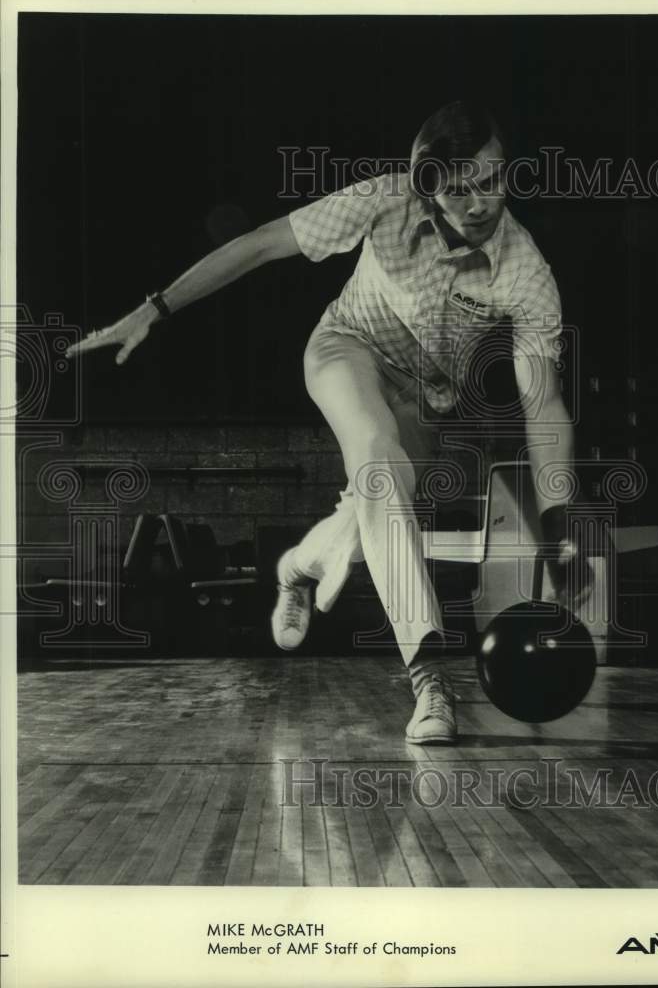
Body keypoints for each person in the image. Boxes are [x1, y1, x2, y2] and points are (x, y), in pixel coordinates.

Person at [67, 100, 590, 745]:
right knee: (375, 459)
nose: (483, 203)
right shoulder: (383, 199)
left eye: (494, 179)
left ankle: (296, 566)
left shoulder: (526, 274)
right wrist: (156, 307)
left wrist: (561, 525)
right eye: (461, 190)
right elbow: (260, 245)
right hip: (347, 350)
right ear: (428, 189)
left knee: (374, 497)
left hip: (426, 397)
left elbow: (544, 406)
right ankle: (429, 677)